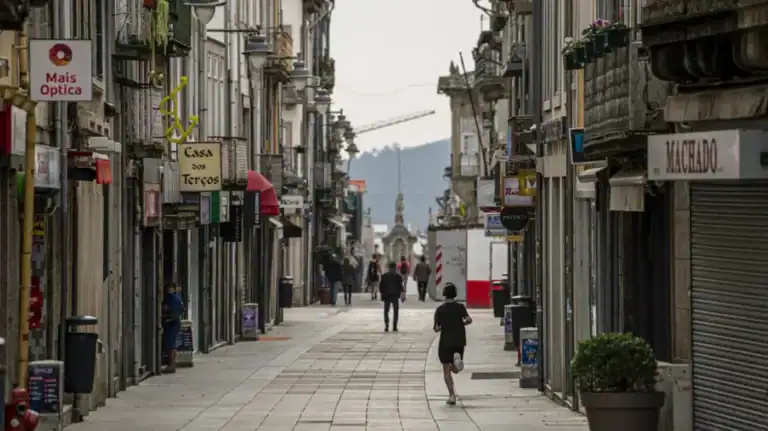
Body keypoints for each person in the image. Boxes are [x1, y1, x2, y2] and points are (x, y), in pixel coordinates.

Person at [433, 282, 472, 405]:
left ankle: (451, 395)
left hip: (446, 341)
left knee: (446, 371)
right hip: (459, 340)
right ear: (455, 294)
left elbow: (436, 328)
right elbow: (469, 320)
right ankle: (455, 363)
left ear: (444, 295)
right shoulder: (460, 307)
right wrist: (461, 324)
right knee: (456, 369)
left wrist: (443, 326)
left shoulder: (440, 310)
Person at [161, 282, 185, 374]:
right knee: (170, 344)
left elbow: (174, 310)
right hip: (173, 323)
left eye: (170, 288)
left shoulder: (173, 298)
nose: (169, 290)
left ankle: (171, 365)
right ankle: (171, 365)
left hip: (172, 324)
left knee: (170, 345)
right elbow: (182, 309)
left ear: (174, 289)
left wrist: (168, 319)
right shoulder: (174, 298)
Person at [379, 261, 405, 332]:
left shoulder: (384, 276)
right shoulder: (398, 276)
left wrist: (382, 295)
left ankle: (386, 325)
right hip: (395, 296)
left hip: (387, 296)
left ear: (389, 268)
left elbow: (381, 287)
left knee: (386, 311)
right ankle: (394, 326)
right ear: (395, 268)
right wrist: (402, 295)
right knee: (396, 311)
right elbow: (400, 286)